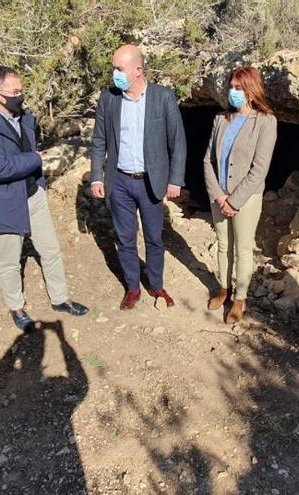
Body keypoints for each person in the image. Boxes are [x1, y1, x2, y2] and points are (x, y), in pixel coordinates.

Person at [0, 65, 89, 331]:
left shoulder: (22, 116)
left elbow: (26, 148)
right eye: (15, 91)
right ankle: (17, 307)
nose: (20, 95)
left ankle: (60, 299)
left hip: (32, 193)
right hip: (5, 200)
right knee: (10, 258)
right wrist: (36, 159)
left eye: (21, 89)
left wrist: (39, 182)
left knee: (50, 249)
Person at [90, 44, 187, 309]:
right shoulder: (109, 98)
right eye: (113, 68)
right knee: (125, 237)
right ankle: (132, 287)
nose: (114, 74)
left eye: (119, 69)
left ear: (137, 70)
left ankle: (156, 285)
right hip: (119, 180)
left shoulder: (162, 97)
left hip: (150, 181)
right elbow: (99, 140)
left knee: (154, 237)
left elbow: (177, 142)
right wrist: (96, 176)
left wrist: (175, 179)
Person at [202, 67, 278, 323]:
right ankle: (223, 288)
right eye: (231, 87)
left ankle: (240, 299)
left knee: (243, 248)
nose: (233, 92)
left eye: (239, 88)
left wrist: (234, 200)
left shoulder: (266, 122)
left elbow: (260, 168)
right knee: (223, 245)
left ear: (251, 91)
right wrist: (219, 195)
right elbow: (207, 161)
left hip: (245, 198)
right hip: (219, 195)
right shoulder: (220, 120)